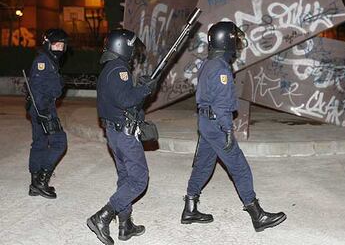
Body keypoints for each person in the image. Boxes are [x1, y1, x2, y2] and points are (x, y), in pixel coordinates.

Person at [181, 21, 287, 232]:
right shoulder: (220, 68)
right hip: (217, 125)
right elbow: (221, 104)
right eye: (234, 39)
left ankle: (190, 208)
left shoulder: (208, 63)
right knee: (240, 167)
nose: (237, 44)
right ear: (226, 41)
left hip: (206, 123)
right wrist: (228, 129)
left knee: (203, 166)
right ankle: (257, 214)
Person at [87, 29, 157, 245]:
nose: (134, 53)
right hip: (124, 134)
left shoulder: (109, 68)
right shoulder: (118, 69)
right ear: (122, 46)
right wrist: (145, 89)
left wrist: (140, 88)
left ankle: (125, 225)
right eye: (131, 48)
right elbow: (126, 100)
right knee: (139, 180)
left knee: (126, 177)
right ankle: (103, 216)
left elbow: (120, 99)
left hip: (115, 132)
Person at [26, 28, 69, 199]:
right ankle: (41, 181)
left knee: (39, 143)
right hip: (42, 108)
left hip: (40, 107)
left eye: (62, 45)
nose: (59, 48)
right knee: (60, 143)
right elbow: (36, 88)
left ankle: (35, 183)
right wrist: (43, 112)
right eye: (56, 45)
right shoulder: (43, 61)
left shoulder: (50, 60)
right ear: (47, 44)